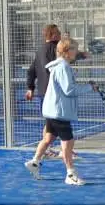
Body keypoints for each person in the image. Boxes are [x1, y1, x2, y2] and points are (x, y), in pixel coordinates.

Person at [25, 37, 92, 185]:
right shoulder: (63, 67)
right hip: (58, 111)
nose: (77, 51)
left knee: (48, 138)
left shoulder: (60, 65)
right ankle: (70, 174)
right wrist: (89, 87)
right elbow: (69, 90)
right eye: (74, 49)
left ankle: (35, 162)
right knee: (68, 142)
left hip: (53, 109)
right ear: (67, 52)